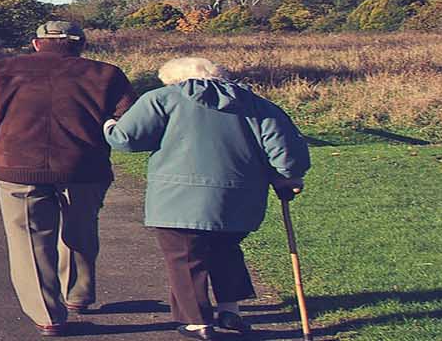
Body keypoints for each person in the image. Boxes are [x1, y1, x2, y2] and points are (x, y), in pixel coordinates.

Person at [103, 57, 311, 340]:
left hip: (177, 198)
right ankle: (230, 310)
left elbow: (126, 139)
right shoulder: (257, 104)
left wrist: (109, 125)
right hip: (241, 198)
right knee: (225, 248)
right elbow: (288, 156)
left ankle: (197, 321)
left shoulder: (162, 98)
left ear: (174, 79)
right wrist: (288, 177)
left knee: (185, 257)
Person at [0, 21, 137, 337]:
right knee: (81, 230)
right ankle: (77, 295)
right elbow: (129, 122)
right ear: (80, 43)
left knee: (29, 241)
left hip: (19, 169)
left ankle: (47, 315)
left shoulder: (3, 70)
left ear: (36, 43)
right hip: (85, 168)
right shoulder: (107, 74)